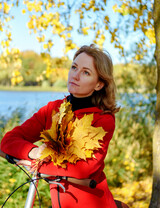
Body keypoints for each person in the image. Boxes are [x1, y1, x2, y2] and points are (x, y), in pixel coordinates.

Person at [0, 44, 120, 208]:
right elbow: (9, 140)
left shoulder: (103, 120)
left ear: (99, 84)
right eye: (74, 67)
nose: (75, 75)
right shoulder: (53, 110)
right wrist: (33, 152)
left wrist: (38, 164)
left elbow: (84, 169)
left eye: (86, 72)